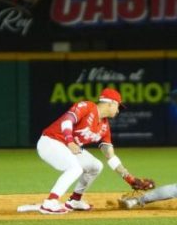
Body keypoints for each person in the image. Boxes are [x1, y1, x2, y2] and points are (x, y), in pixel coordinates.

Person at [36, 87, 144, 215]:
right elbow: (67, 120)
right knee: (75, 168)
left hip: (69, 147)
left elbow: (110, 156)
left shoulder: (104, 126)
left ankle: (75, 200)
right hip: (50, 142)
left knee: (95, 166)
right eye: (118, 106)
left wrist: (129, 178)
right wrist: (70, 140)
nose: (118, 110)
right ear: (110, 103)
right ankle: (50, 202)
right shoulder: (87, 107)